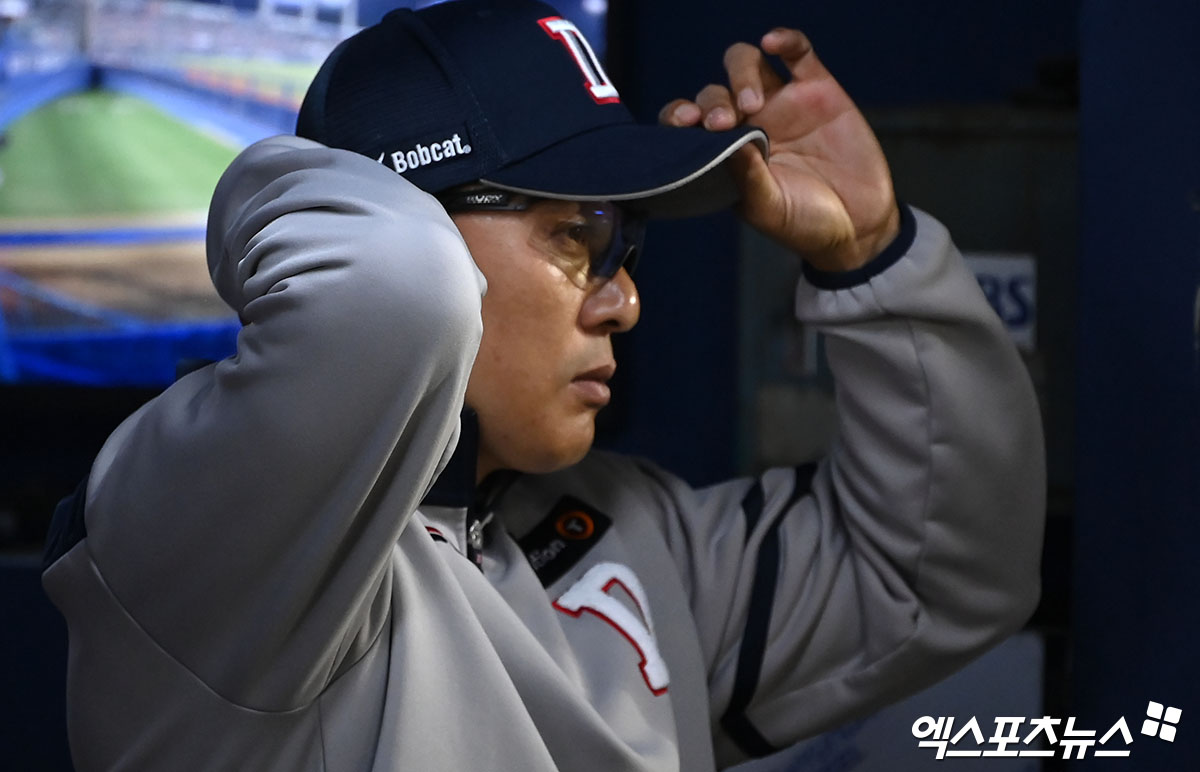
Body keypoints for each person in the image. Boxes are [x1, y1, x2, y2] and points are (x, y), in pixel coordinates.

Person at [42, 1, 1045, 770]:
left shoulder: (630, 531)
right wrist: (333, 171)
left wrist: (874, 255)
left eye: (629, 241)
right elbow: (392, 292)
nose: (625, 303)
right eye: (581, 237)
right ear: (421, 227)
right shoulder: (215, 537)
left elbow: (934, 574)